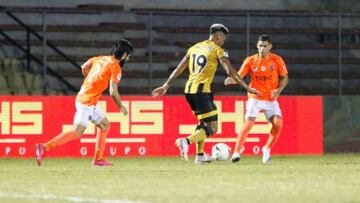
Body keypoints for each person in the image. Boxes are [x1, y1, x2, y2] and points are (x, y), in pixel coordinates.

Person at [152, 23, 259, 164]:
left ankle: (200, 156)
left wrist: (166, 85)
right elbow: (230, 71)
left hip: (189, 90)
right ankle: (186, 141)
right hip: (202, 91)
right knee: (213, 127)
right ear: (219, 36)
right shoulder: (217, 50)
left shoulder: (194, 48)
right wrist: (246, 86)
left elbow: (180, 67)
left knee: (202, 122)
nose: (223, 41)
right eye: (223, 38)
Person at [35, 39, 134, 166]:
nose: (129, 59)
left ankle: (98, 159)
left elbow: (84, 67)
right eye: (129, 56)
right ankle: (44, 147)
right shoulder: (116, 67)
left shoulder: (99, 58)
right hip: (87, 102)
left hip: (86, 98)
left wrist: (90, 82)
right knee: (77, 132)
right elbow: (112, 92)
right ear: (124, 55)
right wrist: (121, 106)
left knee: (105, 125)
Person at [225, 34, 288, 164]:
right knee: (249, 123)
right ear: (257, 46)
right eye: (260, 46)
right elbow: (240, 75)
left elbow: (285, 78)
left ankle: (266, 148)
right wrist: (232, 80)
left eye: (265, 46)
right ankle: (236, 152)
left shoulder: (277, 60)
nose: (262, 49)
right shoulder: (250, 60)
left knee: (278, 125)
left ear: (270, 46)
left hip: (270, 98)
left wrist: (279, 90)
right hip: (255, 96)